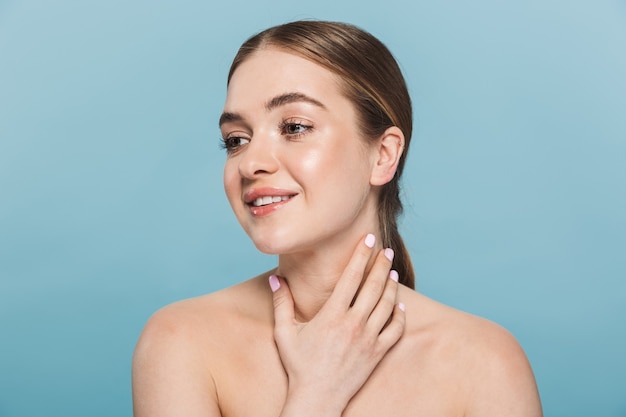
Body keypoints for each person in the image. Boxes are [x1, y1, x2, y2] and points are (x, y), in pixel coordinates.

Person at [132, 20, 542, 416]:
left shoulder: (484, 363)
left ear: (382, 156)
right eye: (236, 140)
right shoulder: (181, 342)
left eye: (294, 126)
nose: (251, 162)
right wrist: (315, 395)